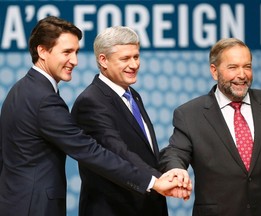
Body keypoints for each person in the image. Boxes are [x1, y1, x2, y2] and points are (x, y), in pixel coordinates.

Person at [0, 16, 191, 216]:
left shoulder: (23, 89)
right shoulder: (43, 98)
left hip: (19, 200)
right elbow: (90, 150)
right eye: (66, 52)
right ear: (42, 51)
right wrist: (153, 181)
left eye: (76, 52)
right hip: (35, 206)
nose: (74, 61)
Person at [159, 38, 261, 216]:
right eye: (233, 67)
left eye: (247, 66)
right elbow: (175, 151)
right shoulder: (189, 114)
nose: (242, 74)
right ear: (214, 71)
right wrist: (176, 169)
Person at [71, 26, 190, 216]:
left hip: (145, 206)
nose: (134, 65)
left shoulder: (132, 95)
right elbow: (117, 151)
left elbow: (145, 152)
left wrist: (171, 170)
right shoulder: (91, 101)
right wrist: (157, 180)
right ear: (103, 60)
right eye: (125, 59)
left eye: (136, 56)